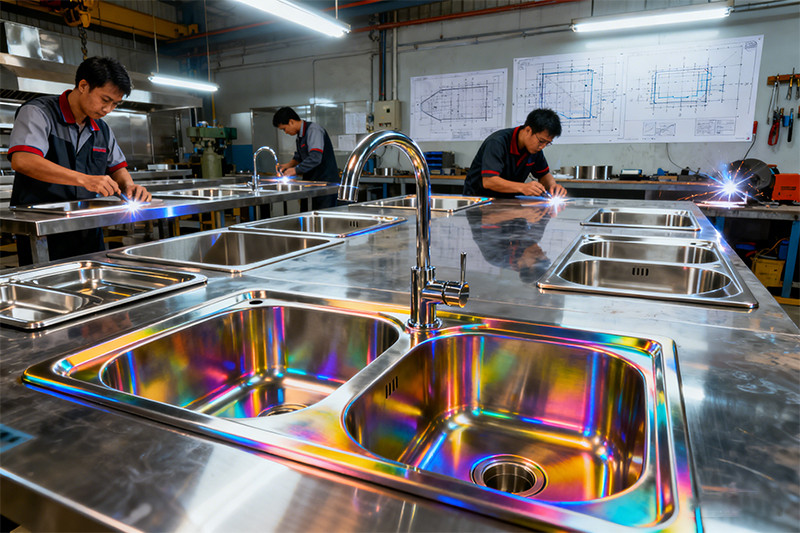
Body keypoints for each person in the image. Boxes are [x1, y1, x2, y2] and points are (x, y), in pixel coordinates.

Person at [8, 56, 151, 265]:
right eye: (105, 100)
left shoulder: (102, 129)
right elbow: (23, 160)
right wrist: (85, 180)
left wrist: (129, 186)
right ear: (83, 86)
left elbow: (117, 168)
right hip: (43, 230)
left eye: (115, 104)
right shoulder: (38, 112)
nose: (108, 109)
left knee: (95, 279)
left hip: (87, 227)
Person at [463, 108, 566, 199]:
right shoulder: (497, 142)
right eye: (541, 141)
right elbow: (489, 181)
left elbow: (543, 174)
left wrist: (553, 187)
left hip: (506, 201)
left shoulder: (534, 149)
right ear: (528, 130)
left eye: (547, 143)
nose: (542, 146)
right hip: (479, 200)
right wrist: (523, 187)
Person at [272, 107, 338, 183]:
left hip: (325, 181)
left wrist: (295, 170)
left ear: (291, 122)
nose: (286, 132)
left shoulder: (313, 130)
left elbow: (315, 158)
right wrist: (288, 165)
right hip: (312, 181)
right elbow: (299, 157)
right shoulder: (300, 135)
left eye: (284, 129)